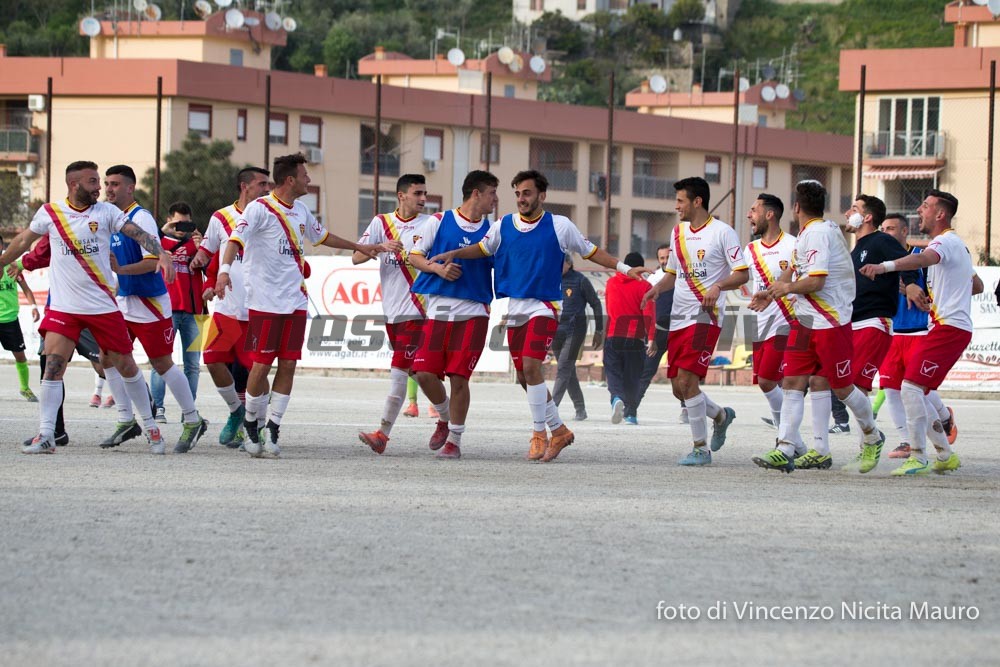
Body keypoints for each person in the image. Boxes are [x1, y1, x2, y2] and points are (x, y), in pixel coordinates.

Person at [433, 169, 645, 462]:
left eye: (527, 193)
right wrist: (455, 254)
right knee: (524, 376)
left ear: (542, 195)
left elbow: (591, 251)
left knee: (532, 367)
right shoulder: (504, 225)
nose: (521, 199)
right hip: (515, 309)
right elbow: (482, 249)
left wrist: (624, 268)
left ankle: (538, 434)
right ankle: (559, 430)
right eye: (518, 193)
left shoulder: (560, 226)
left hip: (544, 307)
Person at [216, 153, 393, 458]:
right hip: (265, 301)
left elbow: (322, 236)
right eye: (305, 175)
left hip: (296, 300)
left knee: (288, 364)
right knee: (261, 365)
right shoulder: (260, 209)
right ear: (290, 180)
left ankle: (272, 427)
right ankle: (250, 423)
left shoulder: (300, 210)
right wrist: (222, 272)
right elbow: (235, 240)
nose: (309, 179)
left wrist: (359, 246)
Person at [0, 160, 174, 454]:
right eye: (93, 182)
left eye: (100, 181)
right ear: (74, 184)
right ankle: (46, 435)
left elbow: (138, 234)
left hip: (102, 306)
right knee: (53, 365)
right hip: (66, 307)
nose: (100, 188)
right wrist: (3, 261)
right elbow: (23, 241)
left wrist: (163, 254)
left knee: (126, 365)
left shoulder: (106, 212)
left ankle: (151, 427)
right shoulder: (50, 213)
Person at [750, 180, 884, 473]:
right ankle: (785, 447)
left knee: (843, 387)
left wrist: (785, 290)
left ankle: (873, 435)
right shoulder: (808, 233)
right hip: (806, 320)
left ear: (797, 207)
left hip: (830, 321)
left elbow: (816, 281)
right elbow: (795, 268)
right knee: (794, 382)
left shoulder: (819, 234)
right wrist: (772, 290)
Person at [860, 189, 984, 475]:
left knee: (910, 387)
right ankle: (945, 454)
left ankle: (918, 455)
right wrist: (943, 293)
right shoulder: (956, 246)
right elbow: (976, 286)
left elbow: (921, 260)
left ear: (940, 214)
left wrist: (883, 266)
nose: (920, 210)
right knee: (917, 390)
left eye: (926, 206)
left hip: (948, 328)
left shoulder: (944, 242)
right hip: (944, 326)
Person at [803, 195, 920, 464]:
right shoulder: (853, 251)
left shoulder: (881, 240)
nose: (847, 213)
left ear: (867, 217)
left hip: (873, 322)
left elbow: (906, 261)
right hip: (846, 323)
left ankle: (869, 441)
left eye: (854, 209)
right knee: (819, 379)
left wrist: (911, 284)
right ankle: (820, 450)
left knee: (853, 384)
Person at [99, 165, 208, 453]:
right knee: (107, 356)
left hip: (149, 303)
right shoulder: (110, 217)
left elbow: (153, 261)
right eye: (106, 183)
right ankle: (126, 419)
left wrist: (120, 270)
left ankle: (193, 418)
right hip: (124, 301)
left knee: (162, 364)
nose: (109, 189)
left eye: (115, 184)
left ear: (130, 188)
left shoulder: (141, 218)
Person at [641, 177, 747, 466]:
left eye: (680, 201)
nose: (676, 206)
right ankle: (721, 416)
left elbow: (742, 274)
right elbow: (673, 274)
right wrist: (655, 289)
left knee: (688, 380)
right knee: (678, 387)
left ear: (697, 201)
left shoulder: (723, 233)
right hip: (679, 317)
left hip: (706, 318)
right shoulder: (678, 233)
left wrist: (717, 287)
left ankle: (700, 449)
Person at [406, 170, 499, 460]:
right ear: (476, 194)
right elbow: (414, 256)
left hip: (474, 311)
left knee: (460, 378)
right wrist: (438, 269)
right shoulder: (439, 221)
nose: (496, 199)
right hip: (439, 310)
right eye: (492, 193)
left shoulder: (494, 230)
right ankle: (445, 418)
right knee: (423, 373)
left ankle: (454, 442)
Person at [355, 174, 438, 455]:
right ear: (401, 196)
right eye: (417, 193)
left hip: (418, 312)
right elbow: (356, 256)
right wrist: (379, 247)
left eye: (425, 193)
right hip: (391, 314)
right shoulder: (381, 223)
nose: (423, 199)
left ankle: (382, 435)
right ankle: (448, 420)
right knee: (418, 373)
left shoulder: (430, 224)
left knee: (399, 374)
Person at [190, 166, 271, 447]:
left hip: (260, 309)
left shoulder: (273, 215)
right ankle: (237, 414)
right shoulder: (221, 217)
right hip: (226, 309)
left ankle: (259, 425)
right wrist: (198, 261)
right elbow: (208, 252)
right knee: (211, 359)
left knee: (257, 371)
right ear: (244, 186)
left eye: (268, 184)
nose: (267, 189)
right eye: (262, 184)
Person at [9, 235, 109, 446]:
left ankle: (147, 406)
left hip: (87, 308)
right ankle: (56, 430)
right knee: (49, 364)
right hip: (59, 309)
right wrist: (18, 263)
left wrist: (18, 262)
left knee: (106, 366)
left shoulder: (96, 223)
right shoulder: (58, 221)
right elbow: (39, 251)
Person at [877, 213, 957, 458]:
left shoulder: (921, 258)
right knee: (891, 388)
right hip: (893, 331)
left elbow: (935, 289)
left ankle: (944, 416)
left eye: (891, 228)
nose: (886, 232)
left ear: (904, 232)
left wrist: (917, 290)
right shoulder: (882, 260)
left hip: (919, 330)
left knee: (916, 386)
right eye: (883, 228)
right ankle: (905, 440)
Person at [743, 194, 796, 431]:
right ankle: (786, 433)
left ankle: (787, 433)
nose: (749, 215)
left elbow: (806, 278)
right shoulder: (751, 249)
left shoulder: (793, 244)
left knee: (769, 380)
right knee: (767, 383)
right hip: (760, 324)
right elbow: (743, 278)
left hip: (788, 321)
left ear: (769, 214)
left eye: (754, 210)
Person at [150, 201, 205, 423]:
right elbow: (153, 253)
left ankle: (188, 410)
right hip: (167, 310)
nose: (182, 228)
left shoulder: (198, 243)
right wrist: (166, 234)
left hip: (195, 311)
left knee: (193, 365)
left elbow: (208, 267)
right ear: (168, 222)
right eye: (177, 223)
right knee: (160, 360)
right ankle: (158, 408)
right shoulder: (158, 242)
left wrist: (203, 248)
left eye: (186, 223)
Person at [603, 251, 655, 425]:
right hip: (635, 338)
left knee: (613, 373)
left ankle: (616, 398)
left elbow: (609, 311)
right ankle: (631, 414)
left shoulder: (610, 283)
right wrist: (652, 338)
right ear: (640, 268)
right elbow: (648, 314)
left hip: (613, 335)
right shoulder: (645, 286)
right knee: (633, 377)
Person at [552, 253, 603, 421]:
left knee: (563, 369)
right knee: (567, 371)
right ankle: (580, 409)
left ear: (568, 264)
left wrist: (599, 330)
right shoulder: (550, 279)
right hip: (554, 330)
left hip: (574, 331)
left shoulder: (580, 280)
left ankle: (550, 410)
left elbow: (596, 303)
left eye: (560, 263)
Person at [637, 243, 677, 419]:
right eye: (662, 258)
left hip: (679, 330)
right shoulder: (652, 280)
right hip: (658, 332)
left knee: (683, 373)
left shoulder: (683, 277)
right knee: (646, 370)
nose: (665, 261)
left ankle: (686, 409)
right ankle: (631, 408)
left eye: (668, 257)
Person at [0, 236, 40, 402]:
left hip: (10, 319)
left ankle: (24, 388)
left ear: (2, 246)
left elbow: (27, 289)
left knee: (20, 356)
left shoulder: (12, 266)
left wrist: (33, 307)